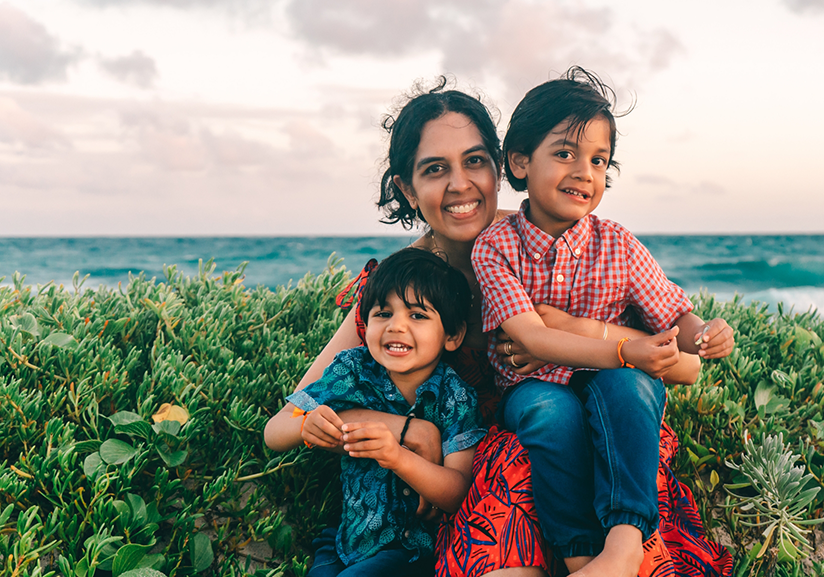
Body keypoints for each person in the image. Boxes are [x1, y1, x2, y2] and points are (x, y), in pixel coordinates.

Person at [264, 76, 732, 577]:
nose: (460, 184)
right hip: (479, 472)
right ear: (407, 186)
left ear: (500, 164)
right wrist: (403, 428)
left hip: (595, 447)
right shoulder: (397, 292)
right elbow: (286, 424)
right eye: (435, 168)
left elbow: (684, 369)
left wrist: (578, 330)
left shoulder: (556, 236)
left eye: (474, 161)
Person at [471, 67, 735, 577]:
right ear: (520, 161)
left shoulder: (618, 244)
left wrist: (701, 333)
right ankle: (578, 556)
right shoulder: (496, 246)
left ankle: (624, 543)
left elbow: (674, 315)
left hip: (612, 381)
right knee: (551, 413)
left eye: (598, 160)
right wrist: (624, 350)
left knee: (631, 389)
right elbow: (531, 338)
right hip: (532, 386)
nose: (584, 172)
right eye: (565, 154)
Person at [265, 247, 487, 577]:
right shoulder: (352, 371)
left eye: (417, 315)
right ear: (364, 323)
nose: (396, 326)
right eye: (383, 314)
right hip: (345, 540)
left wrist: (398, 457)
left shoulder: (454, 397)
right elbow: (274, 435)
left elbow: (457, 492)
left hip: (410, 549)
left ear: (452, 336)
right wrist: (307, 424)